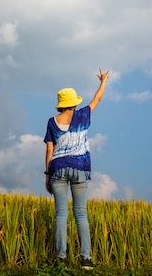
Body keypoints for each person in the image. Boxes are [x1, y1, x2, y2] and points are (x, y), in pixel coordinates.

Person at [44, 68, 110, 271]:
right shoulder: (82, 116)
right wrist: (103, 81)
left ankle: (61, 259)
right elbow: (97, 99)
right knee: (81, 214)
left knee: (61, 215)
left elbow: (49, 149)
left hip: (57, 169)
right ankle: (86, 260)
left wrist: (48, 176)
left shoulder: (51, 122)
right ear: (74, 103)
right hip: (80, 168)